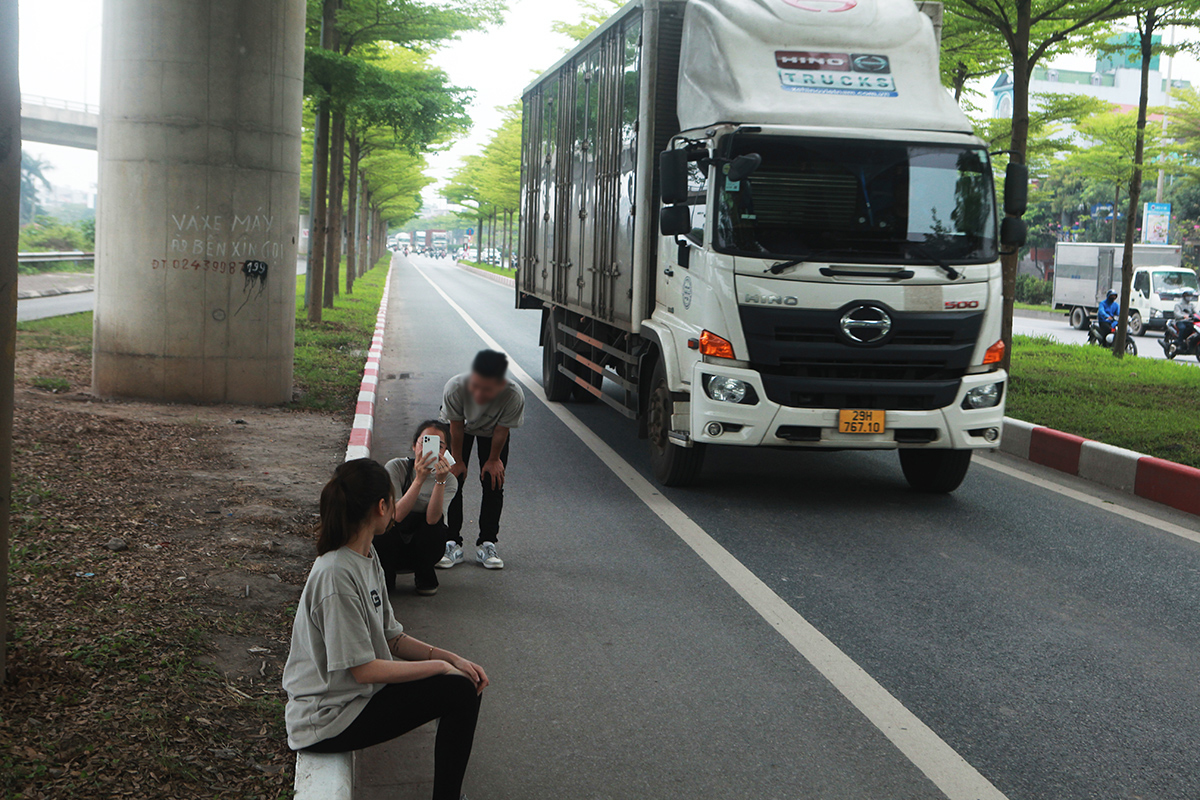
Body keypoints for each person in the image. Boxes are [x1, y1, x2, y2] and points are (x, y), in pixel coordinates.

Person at [283, 459, 488, 800]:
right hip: (327, 719)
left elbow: (392, 637)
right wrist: (440, 668)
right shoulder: (335, 574)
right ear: (382, 507)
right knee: (459, 692)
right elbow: (363, 670)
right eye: (393, 500)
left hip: (353, 700)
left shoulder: (366, 556)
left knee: (462, 684)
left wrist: (453, 658)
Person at [438, 350, 525, 571]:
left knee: (493, 481)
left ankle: (487, 543)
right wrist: (457, 461)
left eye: (487, 389)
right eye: (476, 386)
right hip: (460, 429)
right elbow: (456, 426)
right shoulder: (455, 387)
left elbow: (502, 430)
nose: (479, 394)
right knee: (452, 480)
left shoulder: (513, 395)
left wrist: (494, 459)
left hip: (493, 431)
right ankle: (451, 542)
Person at [375, 420, 458, 597]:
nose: (430, 449)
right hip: (394, 541)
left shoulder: (449, 480)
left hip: (423, 544)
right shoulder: (396, 467)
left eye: (439, 445)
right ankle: (386, 576)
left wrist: (440, 480)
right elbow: (395, 516)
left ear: (445, 452)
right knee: (382, 526)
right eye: (425, 442)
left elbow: (432, 519)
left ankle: (424, 573)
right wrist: (419, 479)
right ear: (414, 446)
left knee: (435, 529)